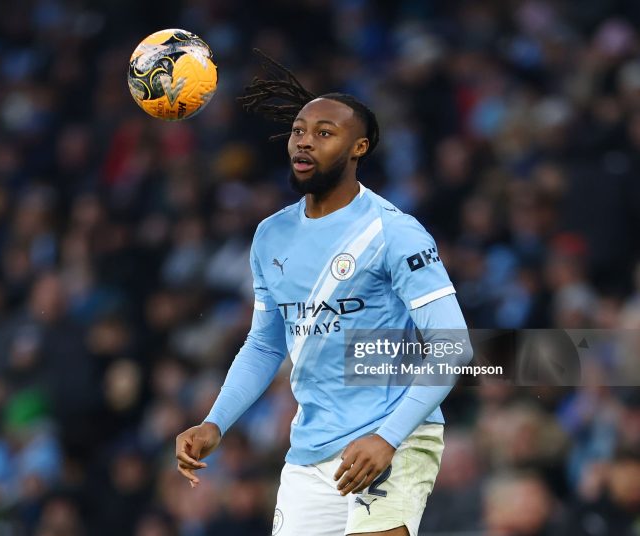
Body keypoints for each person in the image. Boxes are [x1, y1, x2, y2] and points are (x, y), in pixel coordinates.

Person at [175, 51, 472, 536]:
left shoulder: (394, 233)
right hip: (311, 451)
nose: (304, 143)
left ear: (359, 147)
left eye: (324, 133)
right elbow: (267, 344)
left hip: (394, 434)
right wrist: (215, 422)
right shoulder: (270, 236)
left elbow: (453, 347)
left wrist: (389, 437)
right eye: (298, 131)